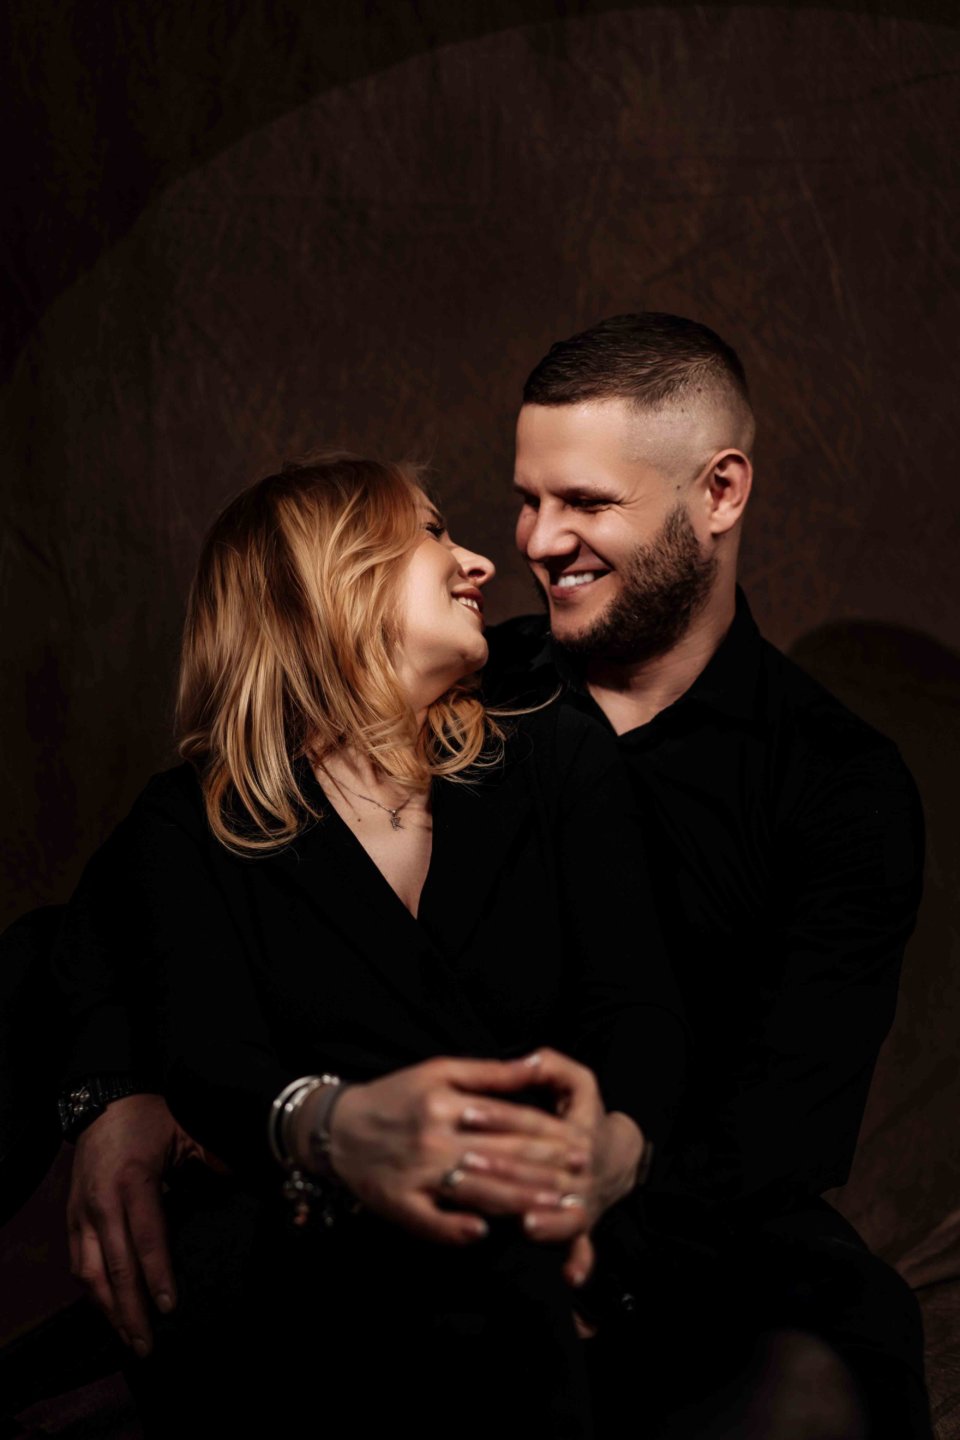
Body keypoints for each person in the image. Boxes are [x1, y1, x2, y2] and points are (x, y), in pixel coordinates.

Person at [59, 314, 928, 1436]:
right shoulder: (486, 683)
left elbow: (780, 1130)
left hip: (687, 1230)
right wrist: (109, 1094)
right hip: (410, 1236)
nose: (533, 543)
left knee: (820, 1370)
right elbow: (123, 901)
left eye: (586, 504)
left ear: (719, 493)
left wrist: (585, 1234)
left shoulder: (841, 787)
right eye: (527, 499)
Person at [51, 453, 685, 1437]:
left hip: (572, 1260)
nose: (480, 561)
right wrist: (328, 1126)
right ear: (329, 578)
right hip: (323, 1291)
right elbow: (207, 1057)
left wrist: (612, 1155)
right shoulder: (193, 826)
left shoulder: (551, 750)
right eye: (432, 532)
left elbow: (637, 1007)